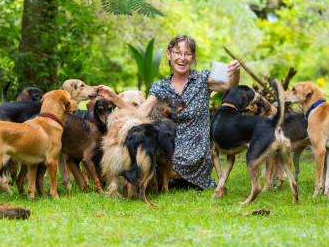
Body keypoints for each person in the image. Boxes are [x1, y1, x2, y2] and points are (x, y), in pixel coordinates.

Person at [97, 35, 240, 189]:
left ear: (193, 57)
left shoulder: (202, 79)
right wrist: (113, 98)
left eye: (187, 54)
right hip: (166, 144)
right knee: (146, 149)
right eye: (178, 52)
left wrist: (235, 72)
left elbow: (230, 87)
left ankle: (162, 176)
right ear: (169, 54)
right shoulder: (160, 86)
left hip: (195, 150)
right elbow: (140, 113)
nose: (182, 58)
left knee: (154, 158)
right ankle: (158, 176)